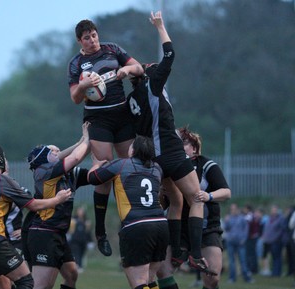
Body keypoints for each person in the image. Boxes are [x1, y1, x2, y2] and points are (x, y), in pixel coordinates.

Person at [127, 10, 213, 278]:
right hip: (172, 151)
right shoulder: (153, 82)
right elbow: (169, 55)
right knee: (196, 198)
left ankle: (176, 250)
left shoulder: (133, 99)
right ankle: (196, 255)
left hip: (154, 158)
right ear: (147, 73)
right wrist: (160, 26)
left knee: (175, 200)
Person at [67, 17, 144, 257]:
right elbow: (75, 98)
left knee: (131, 166)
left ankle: (132, 220)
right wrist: (83, 85)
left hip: (122, 115)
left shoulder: (113, 49)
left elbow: (139, 68)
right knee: (104, 171)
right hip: (98, 120)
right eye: (87, 38)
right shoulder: (76, 63)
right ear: (80, 40)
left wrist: (126, 70)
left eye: (94, 35)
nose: (93, 41)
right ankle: (100, 231)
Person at [0, 143, 72, 289]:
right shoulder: (1, 180)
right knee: (26, 281)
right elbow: (32, 205)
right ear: (0, 160)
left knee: (5, 286)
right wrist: (57, 200)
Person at [87, 135, 169, 289]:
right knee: (151, 280)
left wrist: (96, 165)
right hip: (161, 225)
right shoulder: (157, 169)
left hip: (137, 226)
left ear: (134, 150)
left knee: (138, 282)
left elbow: (93, 178)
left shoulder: (121, 164)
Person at [23, 122, 91, 289]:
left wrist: (82, 141)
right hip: (45, 232)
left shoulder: (59, 171)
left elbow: (69, 156)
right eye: (53, 151)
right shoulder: (45, 171)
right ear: (44, 157)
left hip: (58, 233)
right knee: (43, 286)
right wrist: (89, 138)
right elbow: (74, 157)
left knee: (71, 274)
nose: (58, 153)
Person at [177, 126, 232, 289]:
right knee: (163, 270)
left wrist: (209, 196)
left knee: (213, 276)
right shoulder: (171, 165)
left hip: (207, 227)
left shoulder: (206, 164)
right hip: (179, 227)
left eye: (184, 143)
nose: (180, 146)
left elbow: (227, 192)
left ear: (194, 148)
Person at [224, 203, 254, 283]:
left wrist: (244, 239)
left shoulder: (242, 218)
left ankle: (247, 278)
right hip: (230, 242)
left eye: (234, 209)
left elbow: (246, 229)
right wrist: (226, 222)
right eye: (231, 209)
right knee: (231, 261)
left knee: (243, 260)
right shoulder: (228, 218)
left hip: (240, 242)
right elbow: (226, 229)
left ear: (237, 209)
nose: (232, 211)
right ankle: (232, 278)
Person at [260, 204, 286, 277]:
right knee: (273, 257)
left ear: (278, 210)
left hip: (277, 241)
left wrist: (276, 237)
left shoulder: (280, 218)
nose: (273, 211)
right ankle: (274, 271)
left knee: (277, 257)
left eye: (275, 210)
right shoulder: (270, 218)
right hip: (269, 241)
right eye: (272, 209)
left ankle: (277, 272)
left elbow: (282, 230)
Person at [68, 206, 93, 273]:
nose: (80, 213)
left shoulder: (87, 221)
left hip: (83, 241)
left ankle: (81, 266)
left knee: (82, 254)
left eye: (82, 211)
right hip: (74, 240)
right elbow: (69, 230)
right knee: (77, 253)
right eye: (79, 211)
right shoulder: (73, 220)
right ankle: (77, 265)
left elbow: (88, 232)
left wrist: (90, 241)